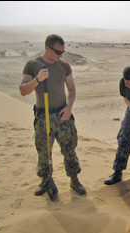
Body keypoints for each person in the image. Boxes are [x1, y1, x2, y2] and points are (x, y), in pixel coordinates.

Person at [19, 34, 86, 196]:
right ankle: (45, 179)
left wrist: (69, 107)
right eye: (57, 52)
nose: (60, 55)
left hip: (63, 113)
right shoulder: (32, 65)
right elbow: (23, 90)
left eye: (62, 52)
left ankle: (74, 178)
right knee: (43, 150)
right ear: (47, 48)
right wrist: (37, 79)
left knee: (69, 148)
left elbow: (71, 88)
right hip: (43, 116)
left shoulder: (64, 66)